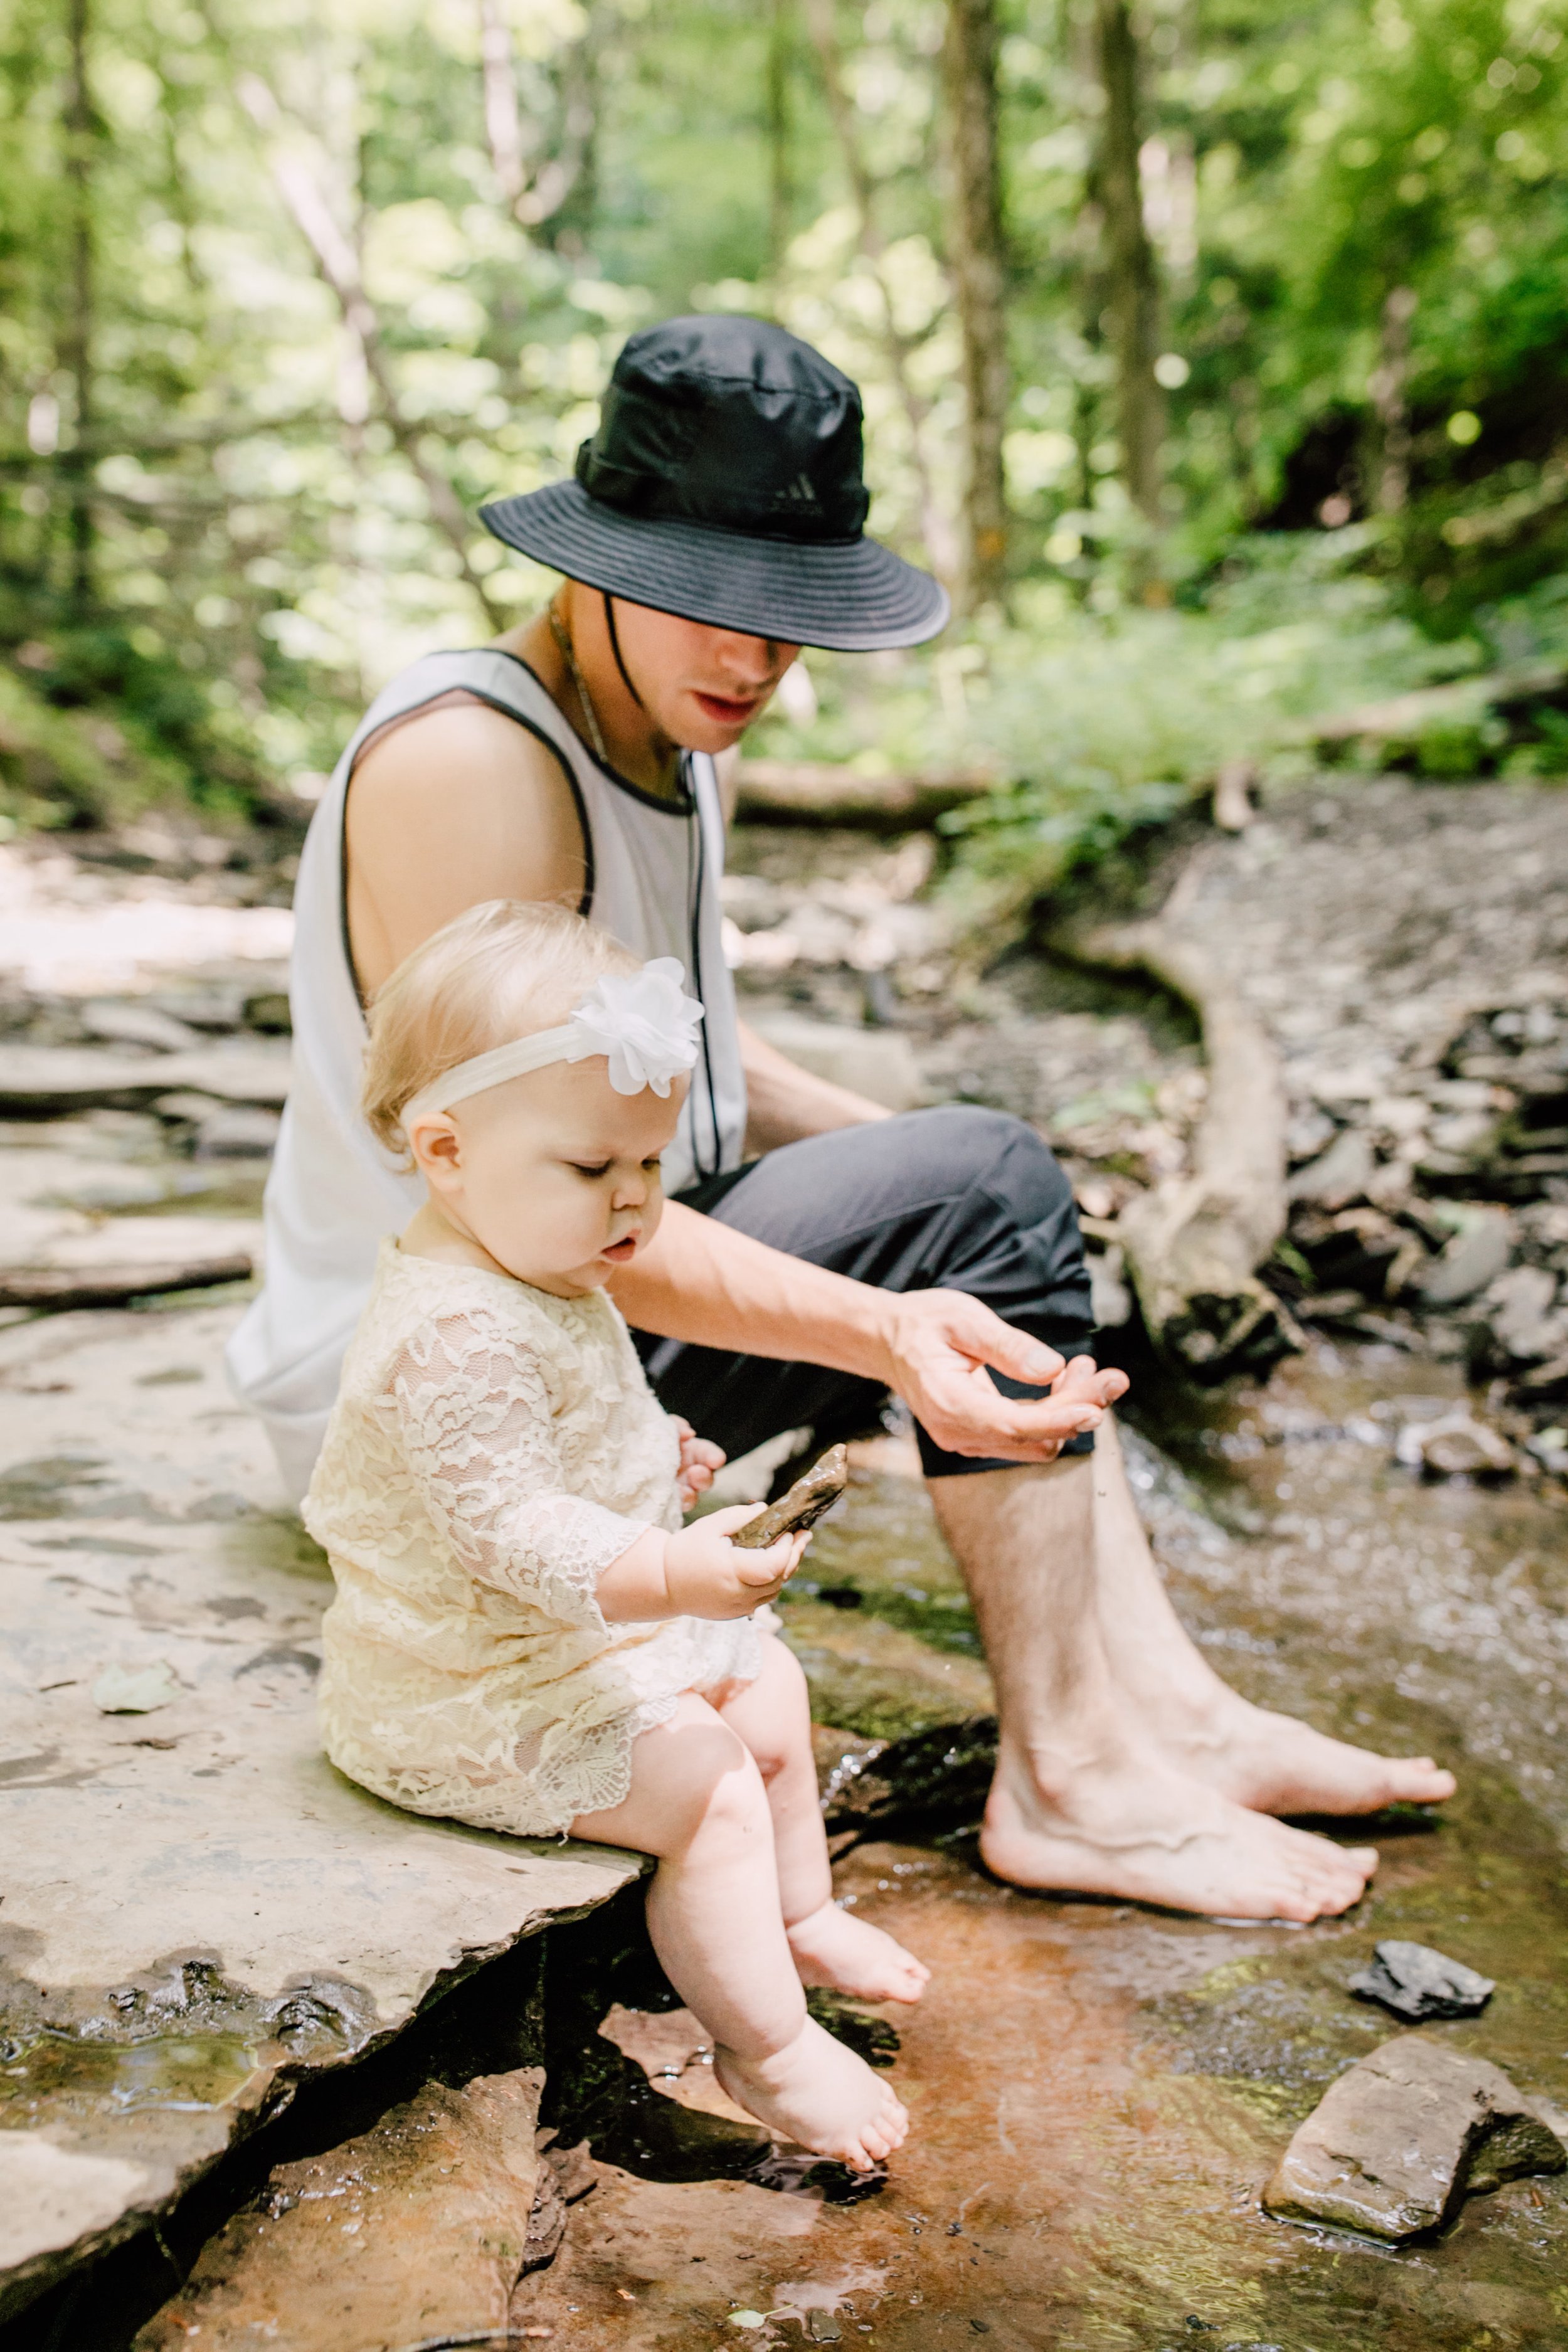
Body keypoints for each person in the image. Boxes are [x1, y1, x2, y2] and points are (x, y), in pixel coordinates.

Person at [231, 314, 1453, 1924]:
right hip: (442, 1405)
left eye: (789, 617)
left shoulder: (667, 737)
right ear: (596, 555)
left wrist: (924, 1160)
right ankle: (1073, 1782)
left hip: (555, 1329)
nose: (754, 658)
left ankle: (1168, 1717)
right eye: (712, 604)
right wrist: (896, 1310)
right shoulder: (474, 764)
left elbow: (693, 1080)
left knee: (981, 1177)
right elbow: (543, 1216)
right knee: (975, 1190)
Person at [305, 900, 923, 2170]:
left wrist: (662, 1462)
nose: (634, 1203)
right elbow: (511, 1528)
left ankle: (796, 1913)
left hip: (555, 1646)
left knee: (770, 1680)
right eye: (595, 1171)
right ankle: (772, 2050)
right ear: (445, 1149)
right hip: (465, 1686)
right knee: (703, 1782)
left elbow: (576, 1436)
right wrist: (675, 1571)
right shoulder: (454, 1330)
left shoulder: (535, 1260)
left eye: (649, 1167)